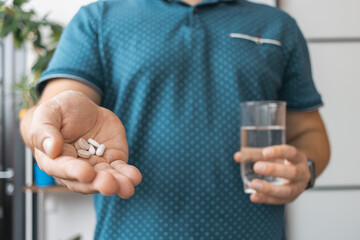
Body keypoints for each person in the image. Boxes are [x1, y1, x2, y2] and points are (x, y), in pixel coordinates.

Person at [20, 0, 330, 239]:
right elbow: (54, 106)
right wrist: (47, 120)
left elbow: (310, 132)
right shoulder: (99, 18)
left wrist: (306, 167)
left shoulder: (278, 26)